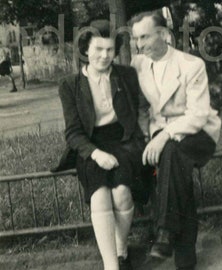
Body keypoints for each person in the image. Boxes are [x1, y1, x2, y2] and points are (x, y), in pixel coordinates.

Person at [52, 19, 150, 270]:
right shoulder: (70, 85)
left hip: (124, 139)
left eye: (109, 50)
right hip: (90, 144)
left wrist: (144, 135)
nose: (105, 56)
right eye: (98, 49)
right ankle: (111, 265)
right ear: (85, 49)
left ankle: (121, 249)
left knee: (121, 193)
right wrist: (95, 154)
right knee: (99, 194)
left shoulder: (126, 75)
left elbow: (140, 108)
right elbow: (73, 132)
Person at [130, 11, 222, 270]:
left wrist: (164, 137)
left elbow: (198, 114)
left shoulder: (190, 65)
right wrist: (150, 137)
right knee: (176, 171)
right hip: (162, 135)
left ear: (163, 34)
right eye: (136, 39)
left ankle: (165, 231)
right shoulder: (139, 65)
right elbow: (138, 107)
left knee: (170, 152)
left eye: (145, 36)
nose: (140, 44)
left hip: (199, 133)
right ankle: (183, 257)